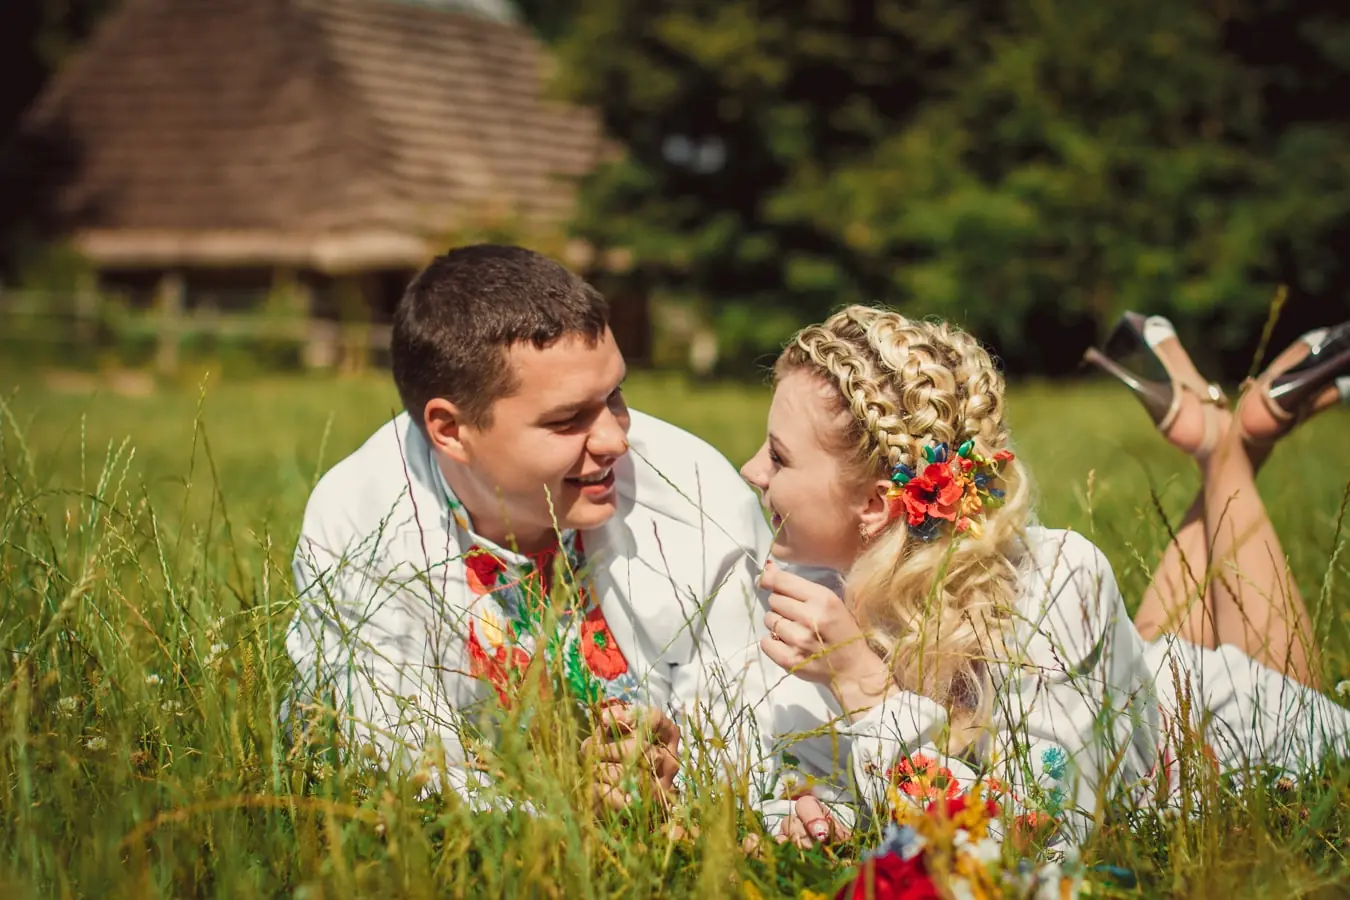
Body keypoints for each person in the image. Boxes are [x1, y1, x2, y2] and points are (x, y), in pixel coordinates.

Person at [739, 305, 1350, 846]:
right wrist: (825, 809)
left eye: (779, 455)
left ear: (874, 505)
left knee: (1311, 717)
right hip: (1125, 686)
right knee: (1135, 656)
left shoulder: (1058, 580)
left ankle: (1236, 442)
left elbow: (1040, 832)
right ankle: (1224, 434)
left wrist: (865, 688)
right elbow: (812, 767)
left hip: (1221, 735)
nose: (750, 471)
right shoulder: (815, 594)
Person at [284, 244, 799, 819]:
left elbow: (751, 723)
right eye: (566, 420)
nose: (614, 440)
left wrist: (675, 789)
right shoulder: (358, 524)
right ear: (450, 430)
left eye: (616, 397)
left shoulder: (696, 492)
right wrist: (568, 820)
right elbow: (403, 769)